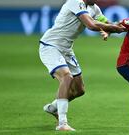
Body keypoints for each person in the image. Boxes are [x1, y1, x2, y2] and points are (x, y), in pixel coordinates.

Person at [39, 0, 124, 131]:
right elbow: (91, 25)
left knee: (79, 90)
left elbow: (106, 23)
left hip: (67, 50)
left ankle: (54, 107)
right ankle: (62, 123)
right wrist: (113, 28)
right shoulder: (75, 2)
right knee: (67, 77)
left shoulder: (94, 8)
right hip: (51, 45)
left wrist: (109, 30)